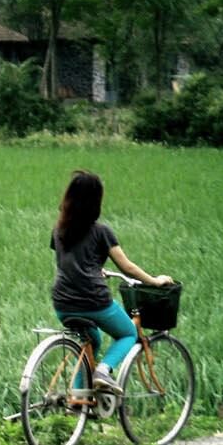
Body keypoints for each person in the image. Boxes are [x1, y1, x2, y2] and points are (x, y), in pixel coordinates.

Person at [51, 170, 173, 403]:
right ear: (95, 201)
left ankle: (78, 397)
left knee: (92, 340)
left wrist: (95, 269)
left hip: (62, 303)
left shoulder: (59, 231)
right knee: (128, 332)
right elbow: (127, 267)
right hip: (93, 301)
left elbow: (68, 262)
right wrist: (155, 280)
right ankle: (103, 371)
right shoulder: (101, 231)